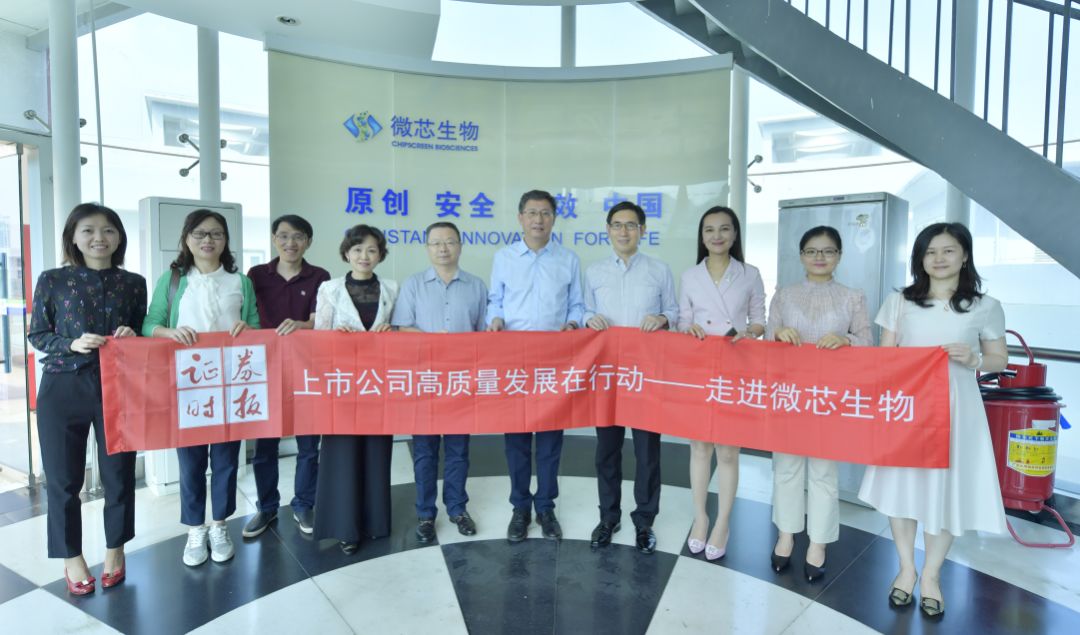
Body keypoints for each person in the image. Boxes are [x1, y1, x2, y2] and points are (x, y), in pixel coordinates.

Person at [859, 222, 1008, 619]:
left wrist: (975, 359)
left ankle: (931, 574)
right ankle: (906, 568)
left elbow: (999, 358)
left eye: (948, 250)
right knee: (902, 486)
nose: (938, 259)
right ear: (919, 259)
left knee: (946, 488)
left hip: (958, 407)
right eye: (930, 252)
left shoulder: (985, 306)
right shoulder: (900, 301)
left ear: (965, 255)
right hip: (907, 406)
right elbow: (885, 357)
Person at [28, 203, 145, 594]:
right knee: (64, 481)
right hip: (62, 387)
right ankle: (71, 557)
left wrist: (132, 335)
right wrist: (71, 343)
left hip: (119, 386)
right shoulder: (52, 280)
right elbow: (38, 334)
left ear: (119, 237)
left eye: (108, 230)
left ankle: (116, 550)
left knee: (119, 475)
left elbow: (142, 331)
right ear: (74, 238)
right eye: (89, 230)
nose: (99, 238)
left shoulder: (134, 283)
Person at [143, 209, 260, 567]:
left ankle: (220, 525)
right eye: (200, 234)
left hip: (229, 385)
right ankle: (195, 528)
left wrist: (247, 329)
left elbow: (255, 326)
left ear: (225, 241)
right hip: (187, 386)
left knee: (226, 461)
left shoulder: (240, 281)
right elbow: (149, 324)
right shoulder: (173, 280)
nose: (208, 240)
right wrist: (169, 332)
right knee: (190, 462)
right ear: (187, 239)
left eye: (216, 234)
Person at [766, 226, 871, 582]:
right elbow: (766, 342)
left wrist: (846, 339)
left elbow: (868, 342)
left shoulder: (853, 297)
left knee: (824, 472)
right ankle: (785, 534)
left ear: (839, 256)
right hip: (790, 394)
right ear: (801, 256)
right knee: (786, 466)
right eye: (812, 251)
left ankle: (818, 543)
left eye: (828, 251)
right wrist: (778, 334)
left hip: (830, 397)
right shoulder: (784, 295)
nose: (819, 257)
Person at [487, 189, 585, 543]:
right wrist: (495, 318)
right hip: (514, 361)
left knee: (549, 439)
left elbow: (577, 305)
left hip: (553, 362)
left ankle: (545, 506)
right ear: (520, 218)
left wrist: (572, 323)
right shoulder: (504, 257)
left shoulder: (568, 259)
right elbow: (495, 299)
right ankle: (520, 508)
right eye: (531, 213)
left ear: (554, 218)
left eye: (545, 213)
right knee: (515, 439)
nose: (538, 220)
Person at [583, 201, 677, 555]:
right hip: (608, 374)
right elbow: (584, 309)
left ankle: (644, 521)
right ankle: (608, 517)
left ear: (642, 230)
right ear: (608, 230)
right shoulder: (594, 272)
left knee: (647, 452)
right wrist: (589, 318)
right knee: (606, 450)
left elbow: (673, 310)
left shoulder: (659, 270)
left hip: (645, 374)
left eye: (631, 225)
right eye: (617, 225)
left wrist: (663, 319)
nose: (624, 231)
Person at [678, 205, 766, 561]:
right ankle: (700, 517)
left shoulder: (750, 274)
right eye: (710, 230)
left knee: (728, 451)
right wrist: (689, 329)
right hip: (699, 367)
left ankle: (723, 523)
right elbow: (683, 320)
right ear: (702, 237)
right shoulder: (690, 276)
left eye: (724, 229)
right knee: (699, 447)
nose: (717, 236)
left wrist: (749, 332)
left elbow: (760, 319)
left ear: (735, 234)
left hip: (736, 366)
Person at [391, 221, 487, 543]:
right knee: (425, 451)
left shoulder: (476, 286)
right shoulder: (413, 285)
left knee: (459, 450)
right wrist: (433, 340)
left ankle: (457, 509)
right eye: (436, 243)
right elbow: (401, 328)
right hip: (425, 380)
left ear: (460, 245)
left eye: (449, 242)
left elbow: (483, 333)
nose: (443, 248)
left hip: (460, 381)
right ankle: (425, 514)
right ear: (427, 248)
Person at [312, 224, 398, 555]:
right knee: (342, 454)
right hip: (342, 385)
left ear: (380, 255)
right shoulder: (330, 289)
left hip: (378, 384)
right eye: (358, 249)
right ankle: (345, 528)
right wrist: (336, 338)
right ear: (347, 253)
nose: (364, 256)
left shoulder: (392, 288)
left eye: (372, 250)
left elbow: (400, 332)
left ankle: (375, 523)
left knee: (376, 451)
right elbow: (318, 337)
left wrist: (393, 332)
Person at [243, 215, 330, 538]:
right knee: (265, 445)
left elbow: (321, 320)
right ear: (273, 239)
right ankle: (266, 507)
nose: (290, 243)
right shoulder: (256, 275)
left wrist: (301, 325)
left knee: (309, 445)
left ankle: (304, 503)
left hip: (307, 369)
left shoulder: (320, 276)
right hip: (264, 369)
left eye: (298, 237)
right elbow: (248, 317)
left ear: (308, 241)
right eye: (283, 236)